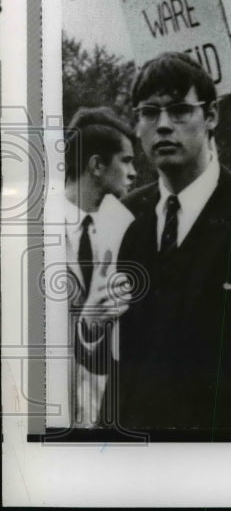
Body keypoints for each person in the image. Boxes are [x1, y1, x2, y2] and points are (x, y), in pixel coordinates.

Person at [81, 52, 231, 433]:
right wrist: (91, 326)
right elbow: (108, 362)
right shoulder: (124, 215)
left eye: (180, 110)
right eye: (149, 112)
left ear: (211, 116)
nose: (163, 125)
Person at [59, 107, 136, 428]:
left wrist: (91, 331)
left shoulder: (126, 227)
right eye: (127, 160)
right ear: (96, 165)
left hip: (103, 417)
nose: (134, 173)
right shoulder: (27, 229)